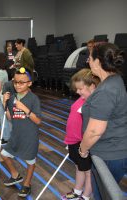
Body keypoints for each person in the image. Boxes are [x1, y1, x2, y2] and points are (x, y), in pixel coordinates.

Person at [79, 43, 127, 200]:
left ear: (98, 62)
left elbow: (94, 131)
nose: (88, 62)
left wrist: (83, 149)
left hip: (108, 155)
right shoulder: (114, 80)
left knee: (103, 196)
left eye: (90, 58)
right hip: (113, 151)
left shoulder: (106, 90)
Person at [1, 67, 41, 198]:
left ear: (29, 83)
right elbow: (9, 118)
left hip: (29, 137)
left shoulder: (33, 99)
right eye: (16, 82)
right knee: (4, 154)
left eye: (22, 82)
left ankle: (27, 184)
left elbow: (38, 121)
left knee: (30, 161)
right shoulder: (12, 97)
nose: (18, 85)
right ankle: (15, 175)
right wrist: (4, 103)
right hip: (16, 135)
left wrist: (24, 108)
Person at [62, 68, 100, 200]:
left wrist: (84, 146)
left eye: (80, 89)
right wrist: (69, 141)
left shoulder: (94, 103)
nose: (77, 92)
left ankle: (86, 196)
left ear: (92, 86)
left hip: (83, 144)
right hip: (74, 141)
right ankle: (78, 191)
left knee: (89, 172)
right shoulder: (82, 99)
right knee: (79, 167)